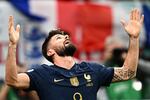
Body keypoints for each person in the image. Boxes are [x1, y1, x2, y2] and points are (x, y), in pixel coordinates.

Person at [5, 8, 144, 100]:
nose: (65, 37)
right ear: (50, 51)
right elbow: (13, 80)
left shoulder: (92, 69)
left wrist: (134, 38)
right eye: (58, 38)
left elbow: (128, 73)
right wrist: (12, 45)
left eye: (66, 36)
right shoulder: (42, 73)